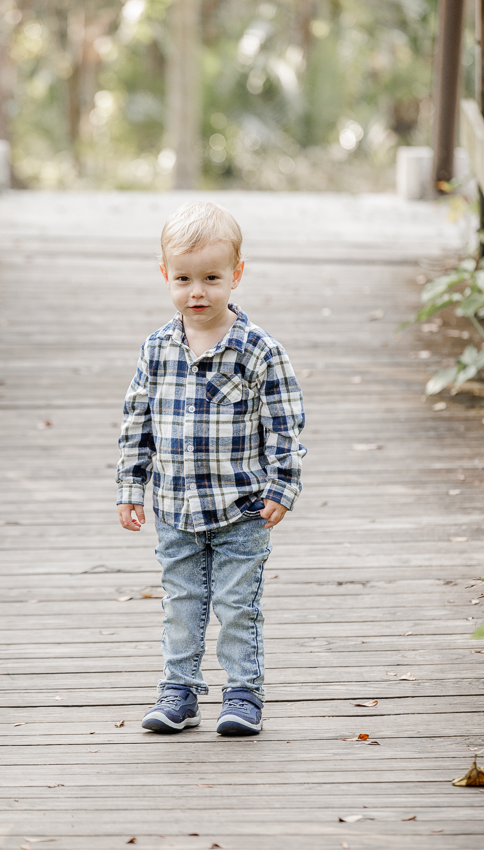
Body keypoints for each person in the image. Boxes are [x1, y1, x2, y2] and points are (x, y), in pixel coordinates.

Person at [116, 201, 305, 736]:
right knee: (182, 600)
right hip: (174, 507)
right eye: (183, 279)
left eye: (211, 278)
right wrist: (132, 485)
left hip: (241, 507)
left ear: (236, 275)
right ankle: (179, 691)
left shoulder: (258, 352)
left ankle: (242, 693)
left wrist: (282, 486)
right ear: (165, 275)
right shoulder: (156, 350)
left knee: (236, 603)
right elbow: (137, 421)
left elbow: (285, 425)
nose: (196, 291)